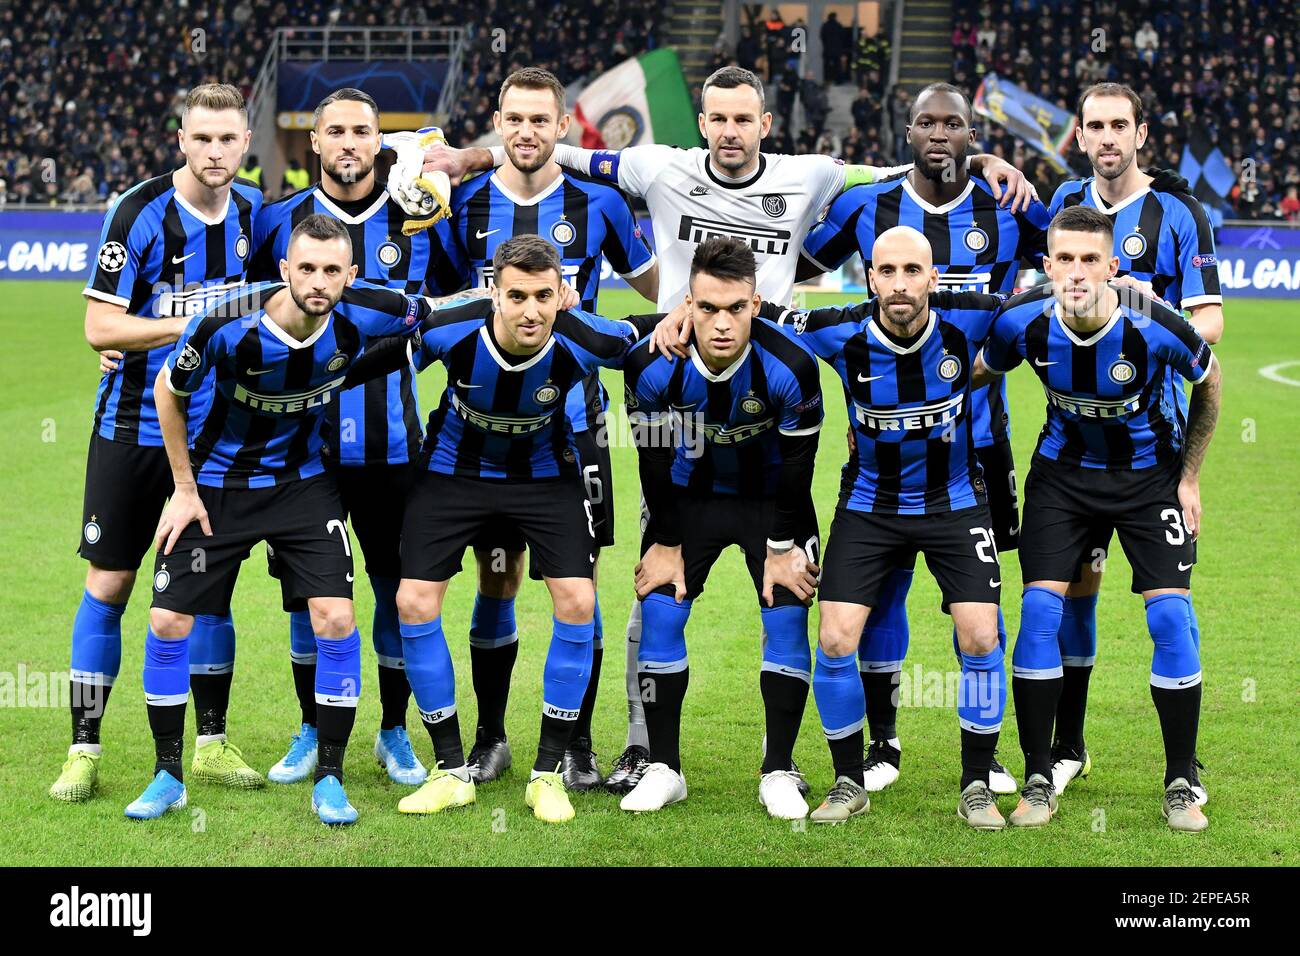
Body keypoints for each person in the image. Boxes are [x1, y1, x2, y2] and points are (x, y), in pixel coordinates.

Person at [416, 64, 1034, 794]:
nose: (731, 132)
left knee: (787, 597)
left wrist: (981, 157)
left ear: (765, 124)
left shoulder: (807, 177)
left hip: (771, 408)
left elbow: (900, 164)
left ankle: (785, 763)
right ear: (701, 123)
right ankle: (646, 751)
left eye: (745, 119)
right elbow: (559, 149)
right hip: (681, 398)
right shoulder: (657, 167)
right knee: (659, 583)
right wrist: (468, 156)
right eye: (718, 118)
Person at [136, 213, 442, 825]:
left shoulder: (372, 310)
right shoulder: (225, 322)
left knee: (335, 615)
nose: (319, 281)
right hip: (218, 485)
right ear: (284, 270)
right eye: (306, 268)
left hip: (304, 485)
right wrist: (182, 486)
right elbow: (170, 390)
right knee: (169, 619)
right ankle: (168, 774)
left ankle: (329, 776)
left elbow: (438, 313)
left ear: (352, 274)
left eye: (333, 270)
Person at [797, 82, 1051, 795]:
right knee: (879, 598)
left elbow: (1067, 249)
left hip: (981, 443)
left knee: (978, 610)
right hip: (879, 449)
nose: (939, 134)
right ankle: (883, 742)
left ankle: (988, 756)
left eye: (955, 125)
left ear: (971, 132)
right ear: (905, 130)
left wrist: (1011, 167)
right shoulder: (865, 205)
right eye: (926, 123)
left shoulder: (1008, 203)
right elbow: (801, 268)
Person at [429, 68, 659, 791]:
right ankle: (491, 738)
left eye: (539, 119)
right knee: (497, 580)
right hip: (486, 427)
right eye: (513, 118)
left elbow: (661, 289)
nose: (526, 131)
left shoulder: (602, 206)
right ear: (497, 122)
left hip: (575, 425)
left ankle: (576, 745)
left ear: (564, 126)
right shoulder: (461, 204)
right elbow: (433, 305)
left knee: (579, 586)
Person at [390, 236, 658, 823]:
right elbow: (389, 337)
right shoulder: (448, 327)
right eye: (516, 296)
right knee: (413, 601)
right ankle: (451, 769)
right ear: (494, 292)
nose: (531, 310)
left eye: (543, 295)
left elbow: (651, 329)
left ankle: (547, 774)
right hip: (452, 473)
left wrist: (688, 313)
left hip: (544, 476)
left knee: (578, 599)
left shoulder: (583, 335)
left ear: (562, 292)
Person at [973, 205, 1222, 833]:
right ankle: (1039, 772)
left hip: (1149, 480)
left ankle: (1181, 778)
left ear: (1113, 267)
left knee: (1169, 614)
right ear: (1047, 264)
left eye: (1090, 260)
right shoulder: (1020, 321)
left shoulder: (1154, 323)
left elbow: (1210, 380)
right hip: (1062, 480)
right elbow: (979, 371)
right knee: (1040, 611)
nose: (1076, 273)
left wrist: (1188, 477)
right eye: (1065, 259)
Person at [248, 87, 468, 788]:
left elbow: (459, 308)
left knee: (393, 590)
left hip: (392, 451)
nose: (348, 142)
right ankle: (313, 727)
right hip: (302, 451)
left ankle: (394, 731)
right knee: (306, 600)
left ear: (381, 141)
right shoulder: (278, 221)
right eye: (335, 130)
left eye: (362, 130)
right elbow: (245, 323)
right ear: (313, 141)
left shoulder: (418, 216)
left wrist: (417, 357)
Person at [52, 83, 263, 805]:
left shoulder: (258, 211)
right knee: (108, 585)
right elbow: (100, 329)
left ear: (245, 142)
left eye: (227, 139)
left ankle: (209, 744)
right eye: (201, 138)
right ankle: (84, 750)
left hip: (215, 439)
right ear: (181, 139)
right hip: (131, 433)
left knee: (208, 596)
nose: (215, 151)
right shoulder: (138, 212)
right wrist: (193, 325)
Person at [779, 226, 1009, 828]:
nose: (900, 285)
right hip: (868, 506)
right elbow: (756, 315)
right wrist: (672, 320)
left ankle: (977, 785)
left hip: (955, 500)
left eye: (913, 271)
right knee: (833, 640)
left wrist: (1120, 293)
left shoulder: (976, 317)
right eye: (887, 271)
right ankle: (848, 780)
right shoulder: (839, 329)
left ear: (935, 278)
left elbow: (1046, 315)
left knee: (981, 638)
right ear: (869, 275)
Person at [1047, 82, 1223, 801]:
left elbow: (1210, 324)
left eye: (1120, 124)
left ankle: (1183, 769)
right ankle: (1068, 746)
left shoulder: (1180, 213)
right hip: (1075, 444)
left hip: (1157, 444)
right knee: (1074, 597)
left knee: (1169, 606)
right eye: (1095, 125)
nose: (1108, 137)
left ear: (1142, 133)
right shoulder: (1064, 205)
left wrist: (1138, 315)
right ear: (1081, 135)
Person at [622, 237, 823, 819]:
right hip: (687, 501)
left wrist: (783, 549)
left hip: (772, 502)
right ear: (687, 304)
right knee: (660, 608)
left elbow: (799, 469)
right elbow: (653, 461)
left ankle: (779, 769)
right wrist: (664, 542)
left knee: (787, 609)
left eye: (735, 308)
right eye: (706, 308)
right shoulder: (651, 366)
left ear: (756, 304)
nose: (721, 323)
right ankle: (664, 768)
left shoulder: (790, 366)